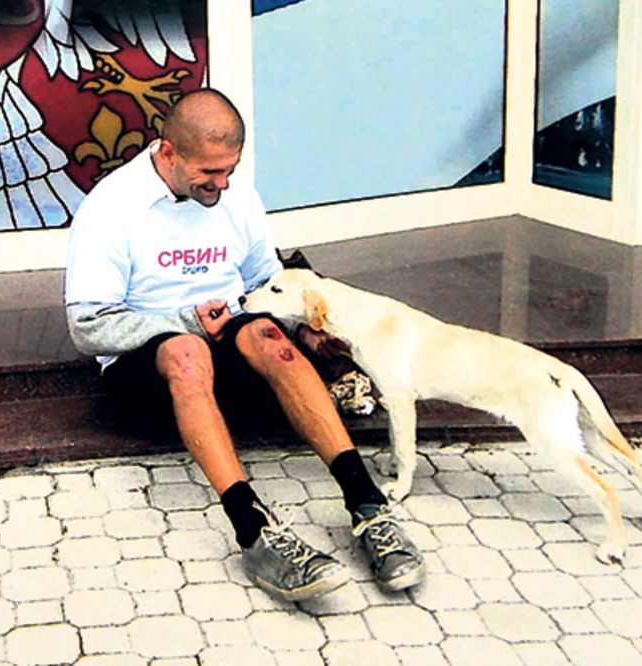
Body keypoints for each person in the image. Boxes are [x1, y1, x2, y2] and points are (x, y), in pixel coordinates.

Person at [63, 88, 424, 600]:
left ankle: (367, 506)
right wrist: (184, 320)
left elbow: (270, 283)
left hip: (229, 354)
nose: (222, 183)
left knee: (268, 333)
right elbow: (87, 327)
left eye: (229, 169)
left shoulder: (237, 198)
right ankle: (256, 534)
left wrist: (309, 327)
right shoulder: (111, 208)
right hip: (149, 372)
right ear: (167, 153)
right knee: (187, 351)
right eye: (209, 173)